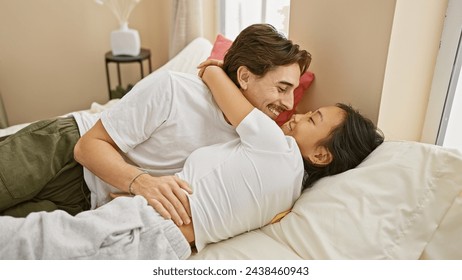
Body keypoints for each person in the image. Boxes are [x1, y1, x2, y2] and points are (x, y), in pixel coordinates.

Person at [0, 59, 384, 260]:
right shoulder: (289, 195)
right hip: (167, 243)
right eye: (284, 90)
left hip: (140, 227)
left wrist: (215, 68)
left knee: (25, 244)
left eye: (311, 117)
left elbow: (214, 76)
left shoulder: (275, 147)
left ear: (321, 153)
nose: (294, 110)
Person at [0, 23, 311, 224]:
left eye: (294, 91)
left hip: (87, 202)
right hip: (61, 151)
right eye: (282, 88)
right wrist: (143, 183)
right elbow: (88, 147)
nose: (287, 104)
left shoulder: (253, 142)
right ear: (244, 76)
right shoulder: (174, 89)